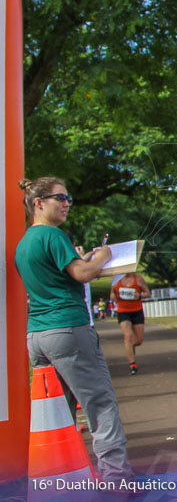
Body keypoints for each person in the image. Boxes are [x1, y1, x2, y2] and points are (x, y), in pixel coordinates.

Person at [14, 177, 133, 483]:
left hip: (36, 335)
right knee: (100, 405)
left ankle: (62, 478)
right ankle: (117, 481)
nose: (67, 202)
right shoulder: (52, 236)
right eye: (60, 198)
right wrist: (103, 257)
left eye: (69, 198)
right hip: (67, 328)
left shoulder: (23, 243)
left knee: (57, 414)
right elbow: (82, 273)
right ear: (39, 203)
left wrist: (83, 260)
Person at [112, 271, 151, 375]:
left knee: (138, 341)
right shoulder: (116, 280)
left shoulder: (138, 279)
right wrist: (113, 297)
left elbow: (147, 293)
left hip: (137, 311)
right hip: (123, 312)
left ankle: (130, 347)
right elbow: (112, 293)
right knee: (128, 336)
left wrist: (139, 295)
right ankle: (132, 365)